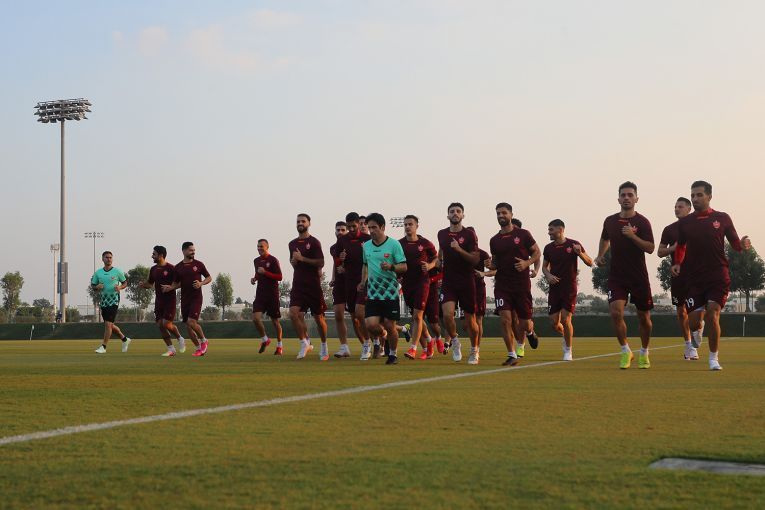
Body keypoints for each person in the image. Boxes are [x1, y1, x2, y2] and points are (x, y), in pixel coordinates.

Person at [672, 180, 751, 371]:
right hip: (694, 278)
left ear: (709, 196)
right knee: (693, 322)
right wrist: (677, 263)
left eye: (699, 195)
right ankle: (697, 329)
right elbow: (681, 246)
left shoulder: (722, 218)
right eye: (693, 195)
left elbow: (735, 243)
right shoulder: (685, 223)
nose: (695, 198)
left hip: (718, 275)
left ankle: (713, 358)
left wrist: (742, 245)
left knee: (713, 314)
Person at [594, 181, 655, 369]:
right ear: (618, 199)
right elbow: (605, 238)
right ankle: (625, 351)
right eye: (623, 195)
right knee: (615, 312)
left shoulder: (642, 222)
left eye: (630, 195)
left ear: (636, 199)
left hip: (638, 277)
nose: (626, 198)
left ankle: (644, 352)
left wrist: (633, 236)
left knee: (644, 318)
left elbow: (651, 248)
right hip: (617, 276)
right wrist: (600, 254)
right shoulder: (610, 221)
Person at [489, 203, 541, 366]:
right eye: (498, 213)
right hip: (502, 286)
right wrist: (490, 264)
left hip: (521, 285)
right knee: (505, 320)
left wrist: (527, 263)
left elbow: (537, 252)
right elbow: (495, 263)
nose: (501, 216)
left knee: (524, 323)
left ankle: (530, 332)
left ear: (511, 214)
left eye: (504, 213)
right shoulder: (494, 240)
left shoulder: (523, 234)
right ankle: (512, 354)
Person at [359, 213, 407, 364]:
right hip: (373, 293)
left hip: (390, 293)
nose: (371, 231)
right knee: (370, 325)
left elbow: (404, 266)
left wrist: (391, 266)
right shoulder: (366, 246)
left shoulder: (394, 244)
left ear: (383, 227)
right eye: (369, 228)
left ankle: (393, 354)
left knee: (390, 325)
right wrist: (363, 281)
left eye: (374, 227)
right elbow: (365, 265)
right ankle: (383, 334)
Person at [542, 220, 592, 361]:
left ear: (560, 230)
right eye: (548, 229)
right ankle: (566, 335)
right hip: (554, 289)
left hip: (569, 288)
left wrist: (580, 253)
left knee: (566, 319)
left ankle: (568, 351)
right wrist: (548, 275)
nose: (549, 232)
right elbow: (544, 267)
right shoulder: (548, 248)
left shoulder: (574, 244)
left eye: (551, 229)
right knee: (554, 323)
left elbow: (590, 262)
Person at [658, 197, 701, 361]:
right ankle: (689, 346)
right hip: (678, 275)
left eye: (680, 207)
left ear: (689, 209)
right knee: (681, 311)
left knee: (698, 310)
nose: (677, 209)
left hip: (697, 274)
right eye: (675, 207)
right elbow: (660, 252)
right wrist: (674, 248)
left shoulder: (699, 225)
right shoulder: (669, 229)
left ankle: (698, 326)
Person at [437, 202, 480, 364]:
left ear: (463, 215)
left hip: (466, 281)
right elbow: (440, 254)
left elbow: (475, 260)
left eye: (458, 211)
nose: (455, 213)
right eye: (452, 211)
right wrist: (436, 263)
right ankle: (455, 341)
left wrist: (459, 249)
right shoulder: (442, 234)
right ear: (447, 215)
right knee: (447, 315)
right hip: (449, 281)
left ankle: (474, 350)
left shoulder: (469, 234)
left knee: (470, 321)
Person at [288, 213, 329, 360]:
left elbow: (321, 262)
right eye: (298, 221)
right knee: (293, 314)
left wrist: (302, 258)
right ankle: (304, 343)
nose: (300, 223)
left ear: (309, 223)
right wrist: (294, 262)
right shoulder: (292, 244)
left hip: (313, 285)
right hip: (298, 285)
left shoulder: (314, 242)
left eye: (303, 221)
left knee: (319, 318)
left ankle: (324, 346)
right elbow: (294, 263)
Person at [398, 215, 438, 360]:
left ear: (417, 226)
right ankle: (429, 339)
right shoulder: (399, 244)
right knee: (416, 317)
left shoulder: (425, 243)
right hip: (407, 284)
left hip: (422, 282)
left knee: (417, 316)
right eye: (405, 224)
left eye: (410, 224)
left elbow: (436, 258)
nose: (407, 227)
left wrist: (430, 265)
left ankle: (413, 348)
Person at [337, 212, 373, 359]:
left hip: (365, 281)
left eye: (354, 226)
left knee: (360, 313)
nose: (351, 229)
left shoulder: (367, 239)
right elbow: (339, 262)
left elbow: (372, 259)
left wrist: (365, 279)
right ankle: (372, 341)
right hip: (349, 282)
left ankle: (368, 343)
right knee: (355, 318)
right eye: (349, 226)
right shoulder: (342, 240)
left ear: (359, 224)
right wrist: (341, 259)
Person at [140, 245, 186, 357]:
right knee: (160, 325)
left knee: (166, 324)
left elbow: (181, 283)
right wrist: (143, 285)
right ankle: (171, 349)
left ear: (161, 255)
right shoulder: (153, 269)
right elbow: (150, 284)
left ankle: (180, 338)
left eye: (154, 254)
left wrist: (171, 287)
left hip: (170, 301)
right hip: (159, 301)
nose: (152, 256)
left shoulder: (172, 268)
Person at [172, 242, 212, 357]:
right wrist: (169, 288)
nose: (193, 252)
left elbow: (209, 277)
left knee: (191, 322)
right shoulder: (178, 267)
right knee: (188, 327)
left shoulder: (199, 264)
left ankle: (204, 340)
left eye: (194, 250)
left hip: (196, 298)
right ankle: (199, 348)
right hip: (185, 299)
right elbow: (176, 284)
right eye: (191, 250)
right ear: (184, 251)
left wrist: (201, 283)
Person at [91, 251, 131, 353]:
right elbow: (93, 285)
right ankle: (124, 339)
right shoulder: (98, 273)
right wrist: (97, 287)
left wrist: (120, 287)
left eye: (110, 257)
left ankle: (103, 347)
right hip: (104, 301)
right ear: (102, 259)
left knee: (108, 324)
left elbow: (125, 283)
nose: (109, 259)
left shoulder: (117, 271)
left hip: (114, 300)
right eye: (106, 257)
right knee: (109, 325)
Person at [251, 239, 284, 355]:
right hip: (260, 294)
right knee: (255, 318)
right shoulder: (256, 261)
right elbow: (258, 273)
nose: (259, 248)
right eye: (258, 246)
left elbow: (280, 277)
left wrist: (265, 272)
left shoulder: (273, 260)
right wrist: (254, 279)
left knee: (275, 322)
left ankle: (279, 346)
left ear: (267, 247)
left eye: (261, 246)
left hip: (272, 295)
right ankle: (265, 339)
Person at [329, 221, 351, 358]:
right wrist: (333, 277)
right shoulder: (333, 248)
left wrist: (346, 270)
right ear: (335, 232)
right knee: (338, 314)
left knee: (359, 317)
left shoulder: (353, 246)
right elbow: (335, 263)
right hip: (339, 284)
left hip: (353, 283)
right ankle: (344, 347)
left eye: (343, 230)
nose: (340, 232)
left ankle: (372, 342)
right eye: (338, 230)